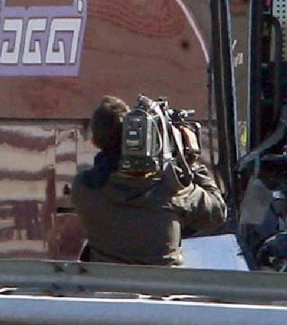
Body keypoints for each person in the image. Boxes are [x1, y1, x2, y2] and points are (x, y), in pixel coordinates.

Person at [69, 96, 229, 267]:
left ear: (94, 142)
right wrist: (190, 161)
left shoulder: (84, 188)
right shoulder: (173, 191)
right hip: (164, 284)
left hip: (106, 282)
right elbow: (218, 212)